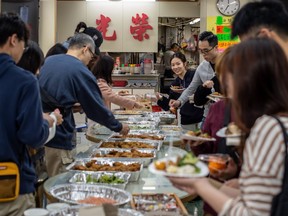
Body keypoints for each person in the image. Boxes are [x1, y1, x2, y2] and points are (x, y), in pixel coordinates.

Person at [168, 38, 288, 216]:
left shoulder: (270, 126)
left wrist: (199, 184)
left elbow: (250, 212)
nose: (225, 85)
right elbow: (265, 198)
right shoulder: (278, 119)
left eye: (229, 78)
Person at [39, 33, 130, 177]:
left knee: (44, 181)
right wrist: (118, 126)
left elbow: (50, 96)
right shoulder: (79, 69)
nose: (91, 61)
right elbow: (96, 108)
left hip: (39, 132)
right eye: (92, 56)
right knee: (59, 184)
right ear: (85, 49)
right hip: (59, 136)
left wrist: (71, 106)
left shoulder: (49, 60)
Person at [0, 13, 55, 216]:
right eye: (23, 44)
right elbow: (31, 135)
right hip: (10, 187)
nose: (23, 50)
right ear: (13, 39)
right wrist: (46, 122)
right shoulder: (24, 81)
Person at [170, 31, 220, 122]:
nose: (203, 54)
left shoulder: (229, 64)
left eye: (206, 50)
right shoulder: (202, 67)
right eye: (201, 51)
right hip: (208, 115)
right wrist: (179, 101)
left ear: (216, 48)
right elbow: (191, 88)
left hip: (228, 116)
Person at [156, 52, 203, 131]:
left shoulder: (194, 75)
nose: (175, 67)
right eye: (173, 65)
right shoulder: (175, 84)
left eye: (178, 64)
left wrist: (185, 92)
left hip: (200, 117)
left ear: (184, 64)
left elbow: (201, 92)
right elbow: (170, 105)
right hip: (186, 120)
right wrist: (160, 99)